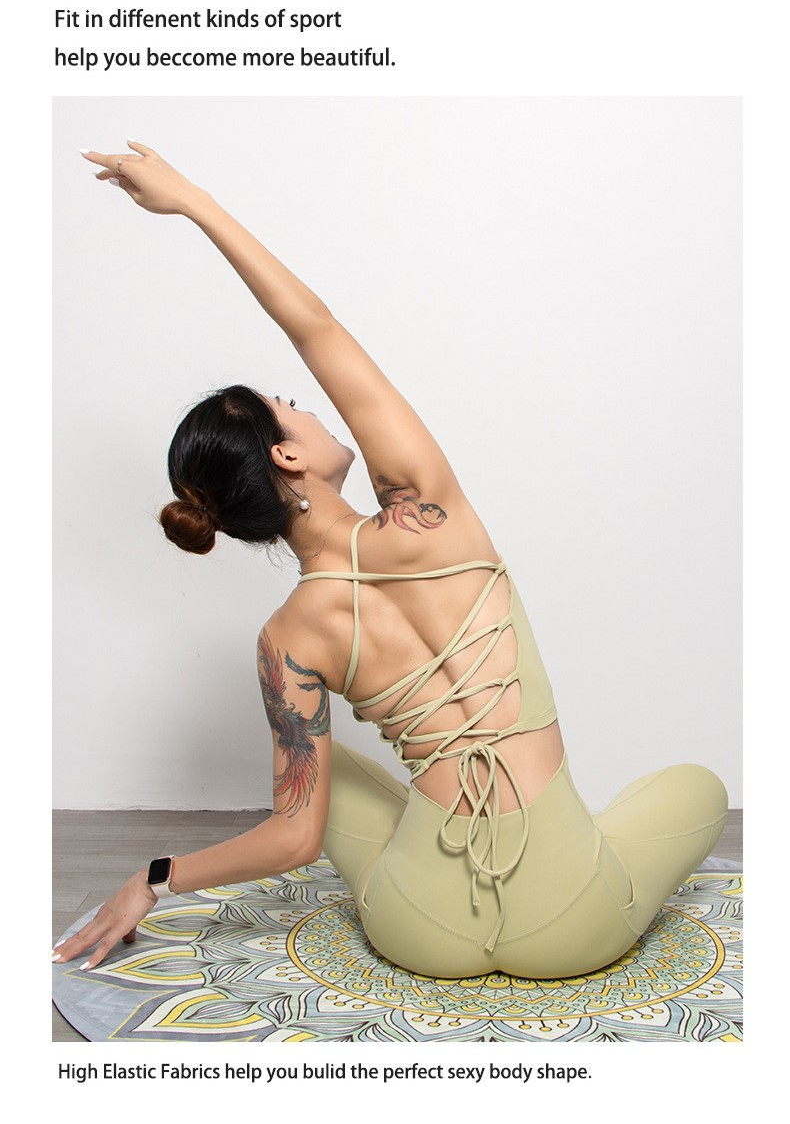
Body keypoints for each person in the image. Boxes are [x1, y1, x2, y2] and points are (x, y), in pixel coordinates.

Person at [53, 141, 727, 979]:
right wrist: (192, 200)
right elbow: (316, 327)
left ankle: (445, 870)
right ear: (288, 456)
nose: (311, 410)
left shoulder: (286, 639)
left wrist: (155, 877)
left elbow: (295, 837)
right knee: (695, 786)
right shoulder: (426, 514)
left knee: (331, 778)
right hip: (572, 922)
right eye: (292, 407)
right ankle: (556, 855)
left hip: (420, 932)